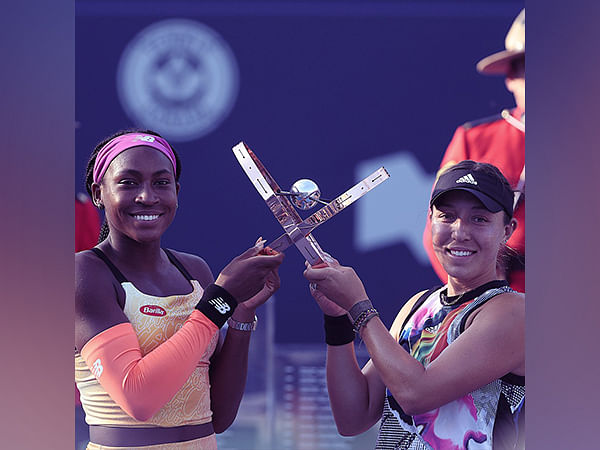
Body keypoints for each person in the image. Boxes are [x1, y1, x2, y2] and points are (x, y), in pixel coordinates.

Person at [75, 129, 284, 449]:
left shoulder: (194, 271)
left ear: (176, 191)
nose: (147, 196)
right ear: (98, 193)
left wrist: (241, 312)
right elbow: (138, 398)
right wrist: (220, 300)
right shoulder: (84, 273)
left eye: (161, 182)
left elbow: (218, 416)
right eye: (128, 182)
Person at [305, 161, 525, 449]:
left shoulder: (514, 311)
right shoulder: (418, 306)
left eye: (479, 219)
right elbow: (353, 418)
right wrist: (338, 319)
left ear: (507, 229)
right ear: (430, 220)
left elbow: (415, 395)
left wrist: (359, 307)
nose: (460, 232)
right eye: (447, 216)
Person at [423, 9, 525, 293]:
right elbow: (439, 223)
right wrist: (472, 293)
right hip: (496, 299)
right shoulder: (476, 139)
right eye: (527, 68)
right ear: (510, 78)